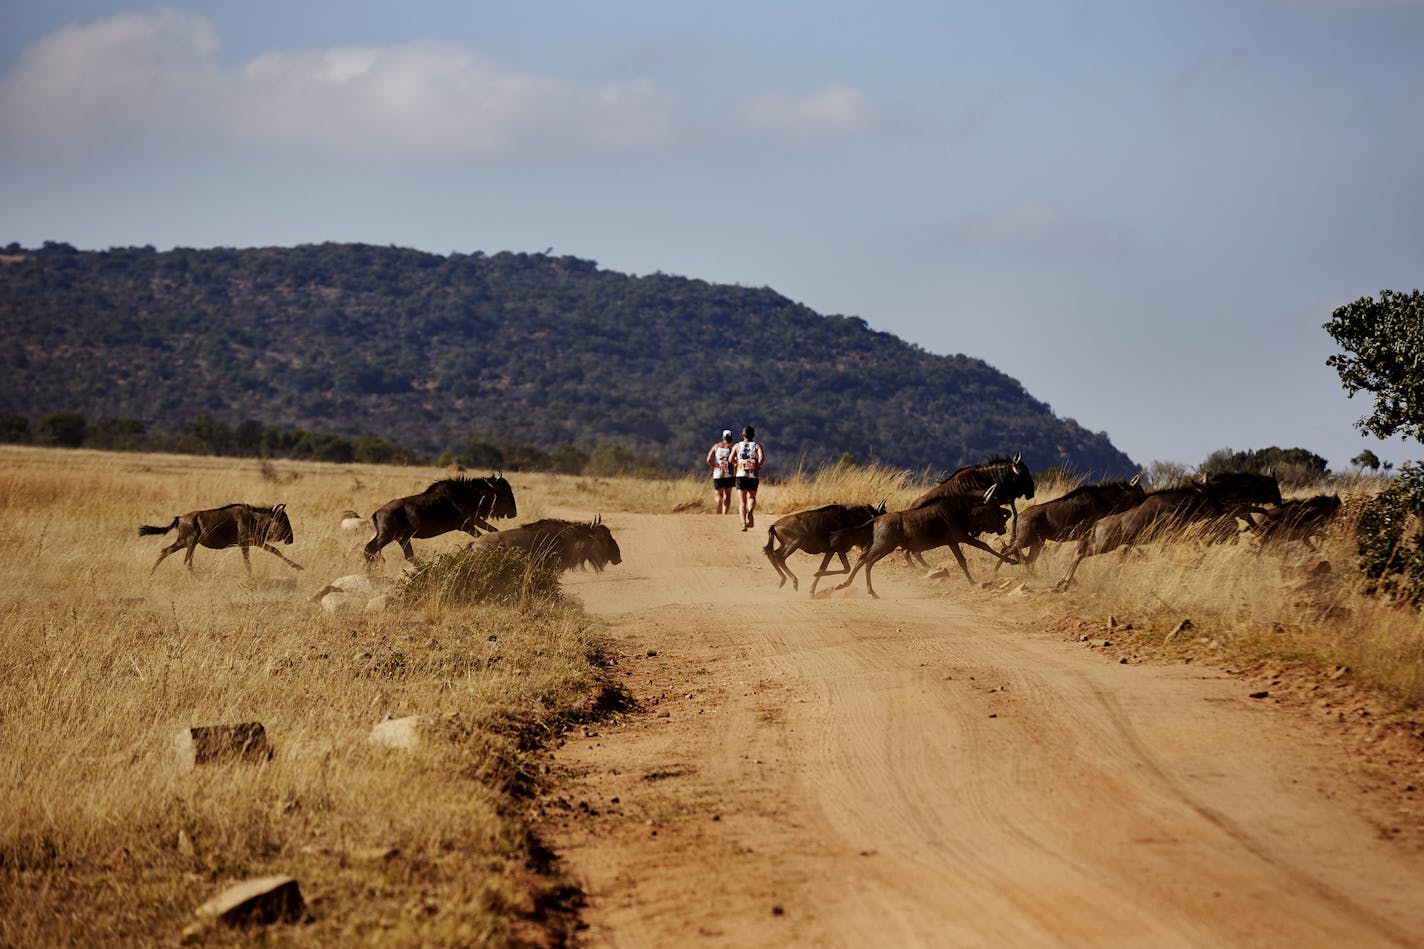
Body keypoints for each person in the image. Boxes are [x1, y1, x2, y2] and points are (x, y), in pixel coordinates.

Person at [730, 425, 765, 531]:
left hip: (741, 475)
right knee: (752, 497)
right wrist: (758, 466)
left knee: (742, 501)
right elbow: (762, 458)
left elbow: (731, 459)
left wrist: (737, 463)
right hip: (752, 475)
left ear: (743, 435)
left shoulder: (737, 446)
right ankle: (750, 511)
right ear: (753, 435)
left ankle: (743, 523)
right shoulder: (757, 446)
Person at [705, 429, 736, 515]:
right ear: (731, 438)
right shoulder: (731, 447)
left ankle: (718, 504)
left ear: (723, 437)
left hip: (718, 473)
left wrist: (714, 466)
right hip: (729, 474)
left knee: (718, 494)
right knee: (727, 495)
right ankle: (724, 514)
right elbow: (735, 460)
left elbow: (708, 459)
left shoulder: (716, 446)